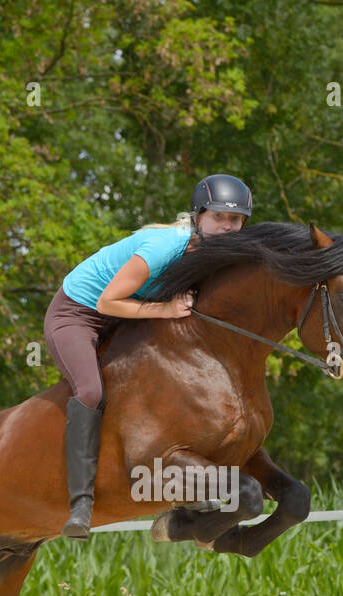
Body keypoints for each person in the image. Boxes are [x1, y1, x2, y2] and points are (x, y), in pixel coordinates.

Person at [44, 174, 253, 540]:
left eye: (235, 220)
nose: (227, 227)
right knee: (91, 391)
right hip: (79, 314)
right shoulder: (163, 246)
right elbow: (107, 302)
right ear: (199, 215)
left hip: (131, 311)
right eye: (219, 217)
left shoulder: (211, 254)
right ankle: (80, 503)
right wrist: (164, 311)